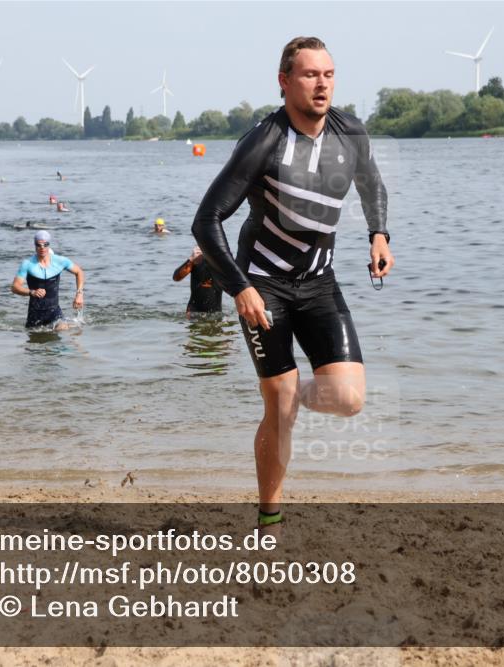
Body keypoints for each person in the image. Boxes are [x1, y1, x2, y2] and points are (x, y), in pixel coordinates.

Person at [191, 36, 393, 529]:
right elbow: (207, 220)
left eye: (328, 74)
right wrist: (240, 287)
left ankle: (294, 391)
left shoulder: (351, 133)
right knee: (277, 407)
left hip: (319, 281)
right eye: (309, 75)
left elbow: (372, 184)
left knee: (348, 399)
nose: (321, 84)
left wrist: (379, 235)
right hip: (263, 284)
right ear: (284, 82)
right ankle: (270, 516)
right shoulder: (263, 141)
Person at [10, 230, 85, 330]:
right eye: (39, 245)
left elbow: (79, 272)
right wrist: (31, 292)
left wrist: (79, 294)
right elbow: (15, 287)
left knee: (62, 328)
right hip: (35, 315)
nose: (42, 248)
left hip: (54, 312)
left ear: (49, 245)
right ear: (35, 245)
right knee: (35, 342)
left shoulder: (60, 261)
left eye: (45, 244)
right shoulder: (27, 264)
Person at [172, 245, 223, 316]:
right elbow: (176, 278)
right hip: (193, 312)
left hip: (216, 312)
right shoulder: (197, 258)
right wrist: (191, 259)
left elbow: (235, 282)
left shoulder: (222, 260)